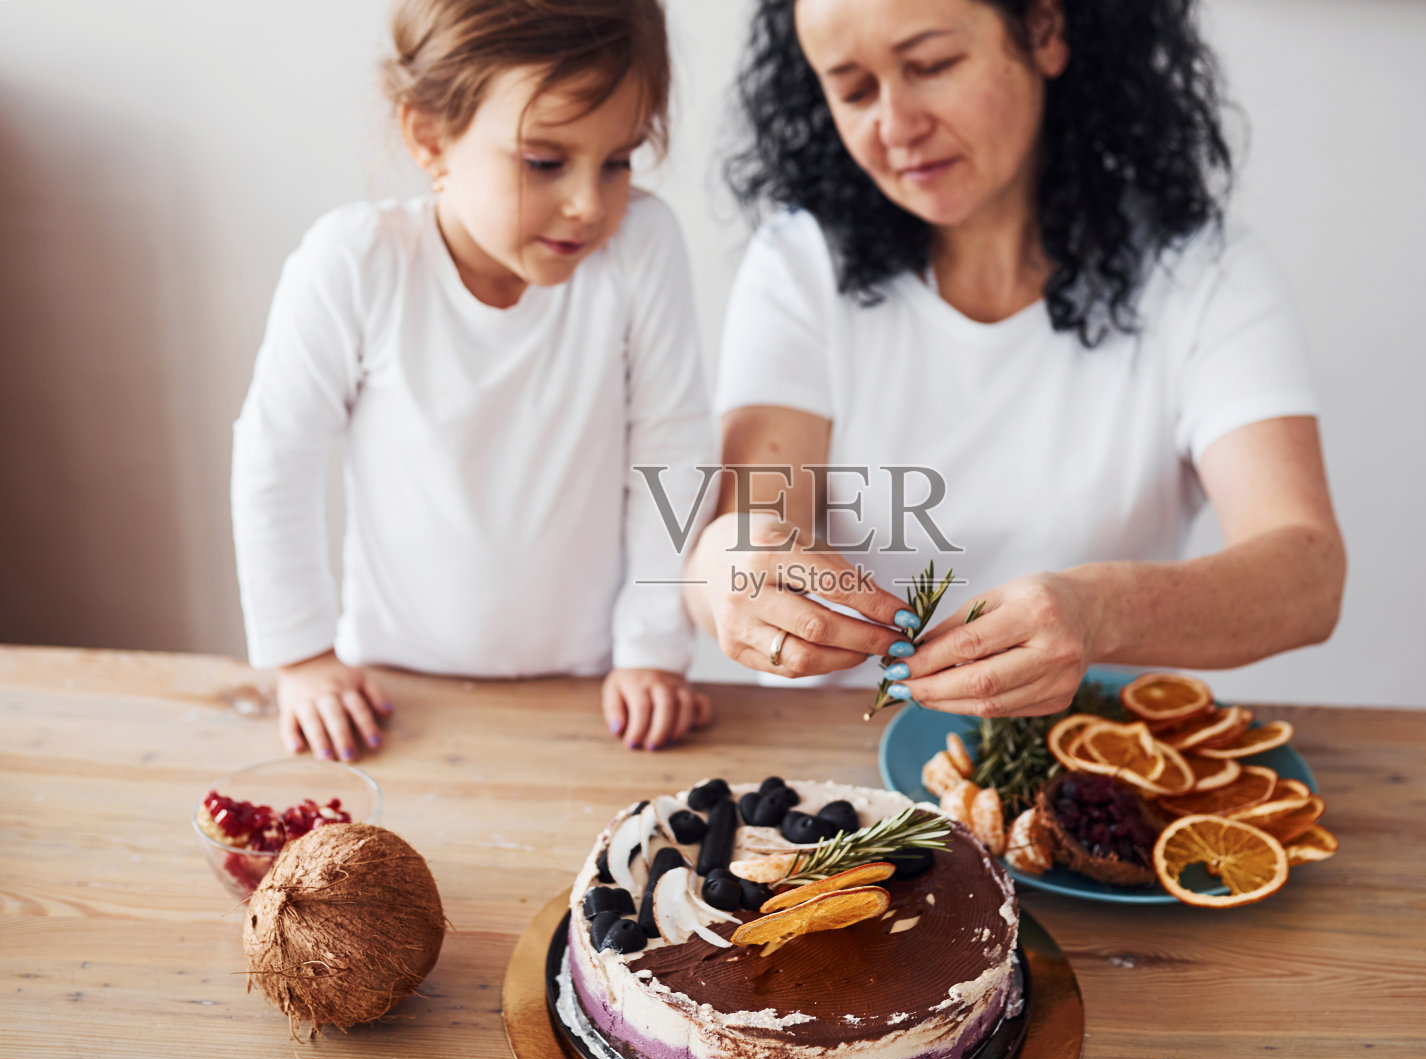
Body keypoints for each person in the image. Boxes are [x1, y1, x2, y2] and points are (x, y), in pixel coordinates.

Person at [683, 0, 1346, 718]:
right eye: (854, 90)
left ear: (1044, 30)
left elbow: (1307, 574)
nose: (896, 127)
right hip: (835, 748)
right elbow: (738, 541)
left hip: (1086, 754)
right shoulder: (799, 265)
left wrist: (1099, 609)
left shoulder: (1205, 272)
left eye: (932, 66)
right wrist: (724, 565)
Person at [232, 0, 713, 760]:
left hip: (588, 687)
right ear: (430, 137)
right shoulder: (356, 263)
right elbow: (276, 458)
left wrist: (653, 650)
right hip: (394, 687)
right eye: (544, 162)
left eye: (618, 161)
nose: (589, 204)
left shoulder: (641, 246)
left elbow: (674, 450)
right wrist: (302, 657)